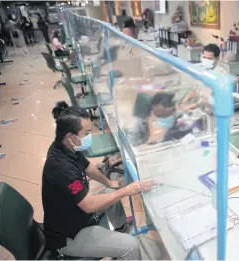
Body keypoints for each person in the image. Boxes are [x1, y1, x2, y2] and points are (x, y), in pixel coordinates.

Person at [42, 105, 155, 259]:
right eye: (87, 133)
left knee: (111, 192)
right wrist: (126, 190)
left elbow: (87, 167)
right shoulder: (61, 167)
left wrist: (110, 183)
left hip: (77, 214)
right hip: (69, 236)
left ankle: (120, 228)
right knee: (131, 246)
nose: (90, 137)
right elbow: (89, 205)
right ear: (70, 136)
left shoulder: (65, 147)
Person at [179, 43, 227, 111]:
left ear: (217, 58)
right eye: (204, 57)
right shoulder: (201, 68)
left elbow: (210, 95)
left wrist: (195, 105)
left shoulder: (220, 73)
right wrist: (184, 101)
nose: (206, 60)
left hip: (212, 108)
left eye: (209, 58)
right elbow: (195, 89)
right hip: (200, 105)